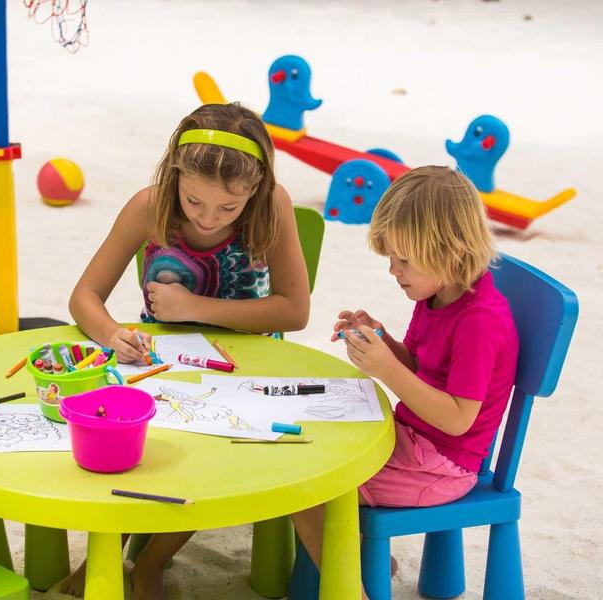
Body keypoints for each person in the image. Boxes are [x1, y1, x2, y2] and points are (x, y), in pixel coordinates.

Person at [66, 102, 310, 599]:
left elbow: (294, 311)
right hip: (162, 364)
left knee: (208, 454)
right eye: (195, 201)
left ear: (255, 191)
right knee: (123, 441)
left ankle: (153, 562)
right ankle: (107, 557)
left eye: (228, 208)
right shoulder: (149, 205)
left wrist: (194, 305)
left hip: (247, 367)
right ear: (175, 174)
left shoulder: (274, 203)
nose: (207, 217)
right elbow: (83, 298)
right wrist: (112, 333)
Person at [291, 166, 519, 597]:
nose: (394, 271)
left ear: (449, 250)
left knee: (310, 484)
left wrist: (387, 369)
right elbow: (417, 364)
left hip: (444, 464)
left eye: (404, 260)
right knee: (312, 443)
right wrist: (383, 341)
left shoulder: (479, 320)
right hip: (414, 441)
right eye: (392, 259)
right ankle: (356, 557)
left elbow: (456, 420)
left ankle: (348, 588)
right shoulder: (437, 293)